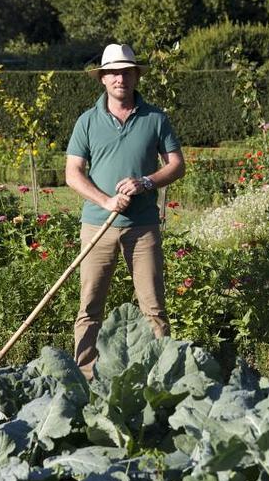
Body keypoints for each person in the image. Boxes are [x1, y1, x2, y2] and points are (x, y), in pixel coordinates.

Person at [65, 43, 185, 380]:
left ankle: (163, 377)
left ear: (135, 76)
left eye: (126, 71)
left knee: (153, 308)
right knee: (89, 307)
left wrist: (147, 182)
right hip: (96, 226)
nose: (120, 78)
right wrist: (104, 201)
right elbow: (72, 173)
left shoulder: (155, 118)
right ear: (102, 78)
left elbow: (176, 165)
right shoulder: (87, 122)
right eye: (113, 72)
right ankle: (84, 376)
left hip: (142, 227)